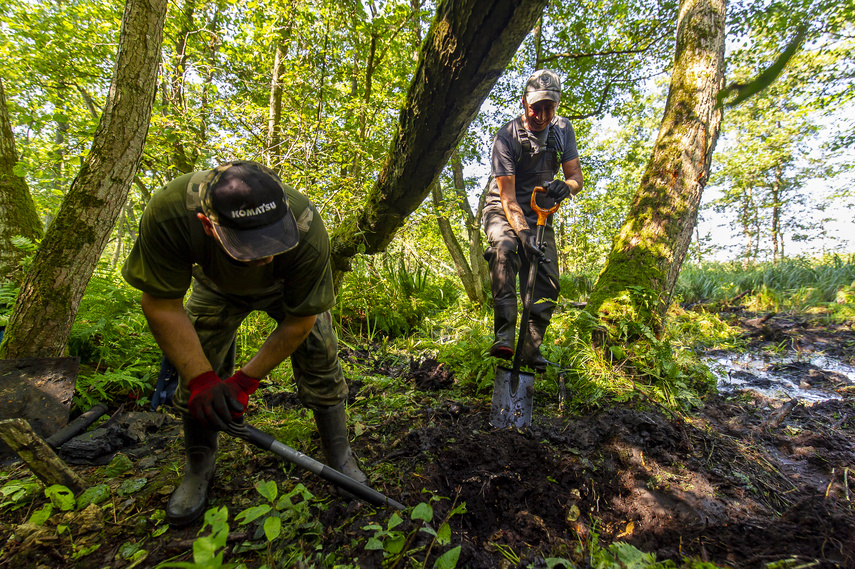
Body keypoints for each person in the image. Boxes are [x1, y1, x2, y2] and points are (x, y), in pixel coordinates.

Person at [122, 160, 365, 527]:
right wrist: (202, 379)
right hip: (213, 286)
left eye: (273, 240)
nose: (265, 255)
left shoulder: (306, 224)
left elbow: (300, 321)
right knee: (198, 356)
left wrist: (244, 381)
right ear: (207, 225)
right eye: (249, 246)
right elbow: (161, 304)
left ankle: (339, 452)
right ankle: (199, 464)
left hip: (286, 289)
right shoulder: (170, 213)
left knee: (320, 350)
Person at [482, 69, 583, 370]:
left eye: (548, 107)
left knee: (547, 279)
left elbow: (575, 177)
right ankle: (504, 336)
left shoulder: (563, 130)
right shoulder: (507, 137)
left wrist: (566, 187)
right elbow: (508, 197)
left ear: (557, 105)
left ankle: (530, 349)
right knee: (504, 249)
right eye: (535, 107)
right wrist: (523, 236)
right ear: (524, 102)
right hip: (503, 209)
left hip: (540, 213)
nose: (541, 115)